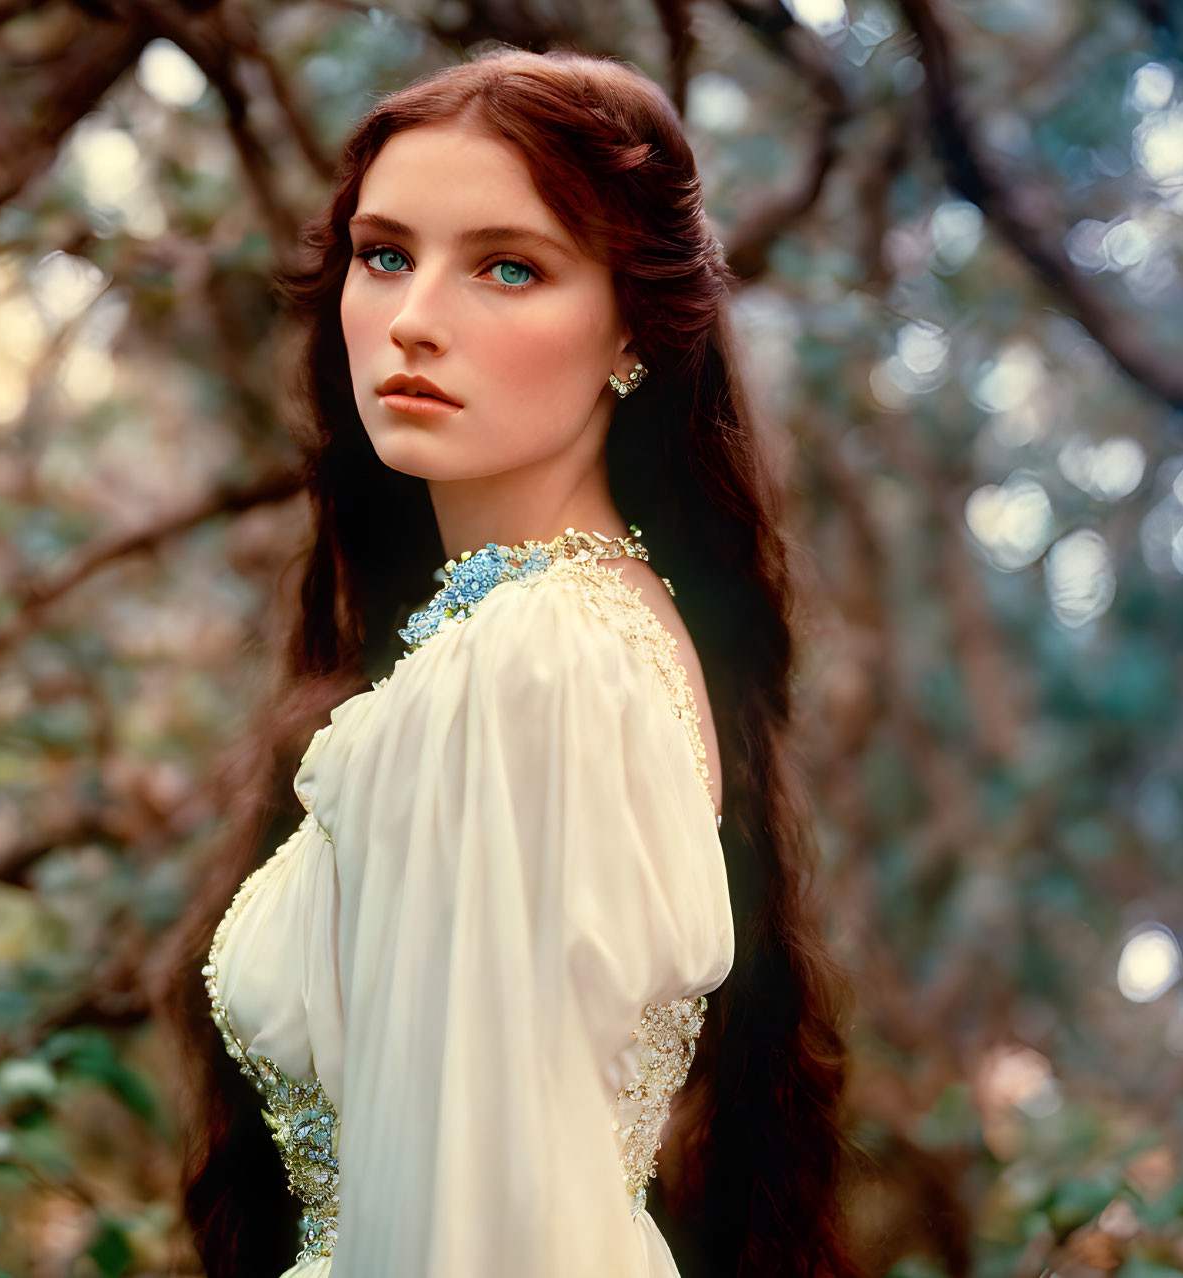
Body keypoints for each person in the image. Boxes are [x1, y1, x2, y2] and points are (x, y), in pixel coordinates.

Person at [163, 45, 861, 1278]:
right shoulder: (557, 634)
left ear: (631, 327)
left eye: (506, 267)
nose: (415, 320)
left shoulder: (537, 664)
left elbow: (475, 1232)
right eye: (383, 255)